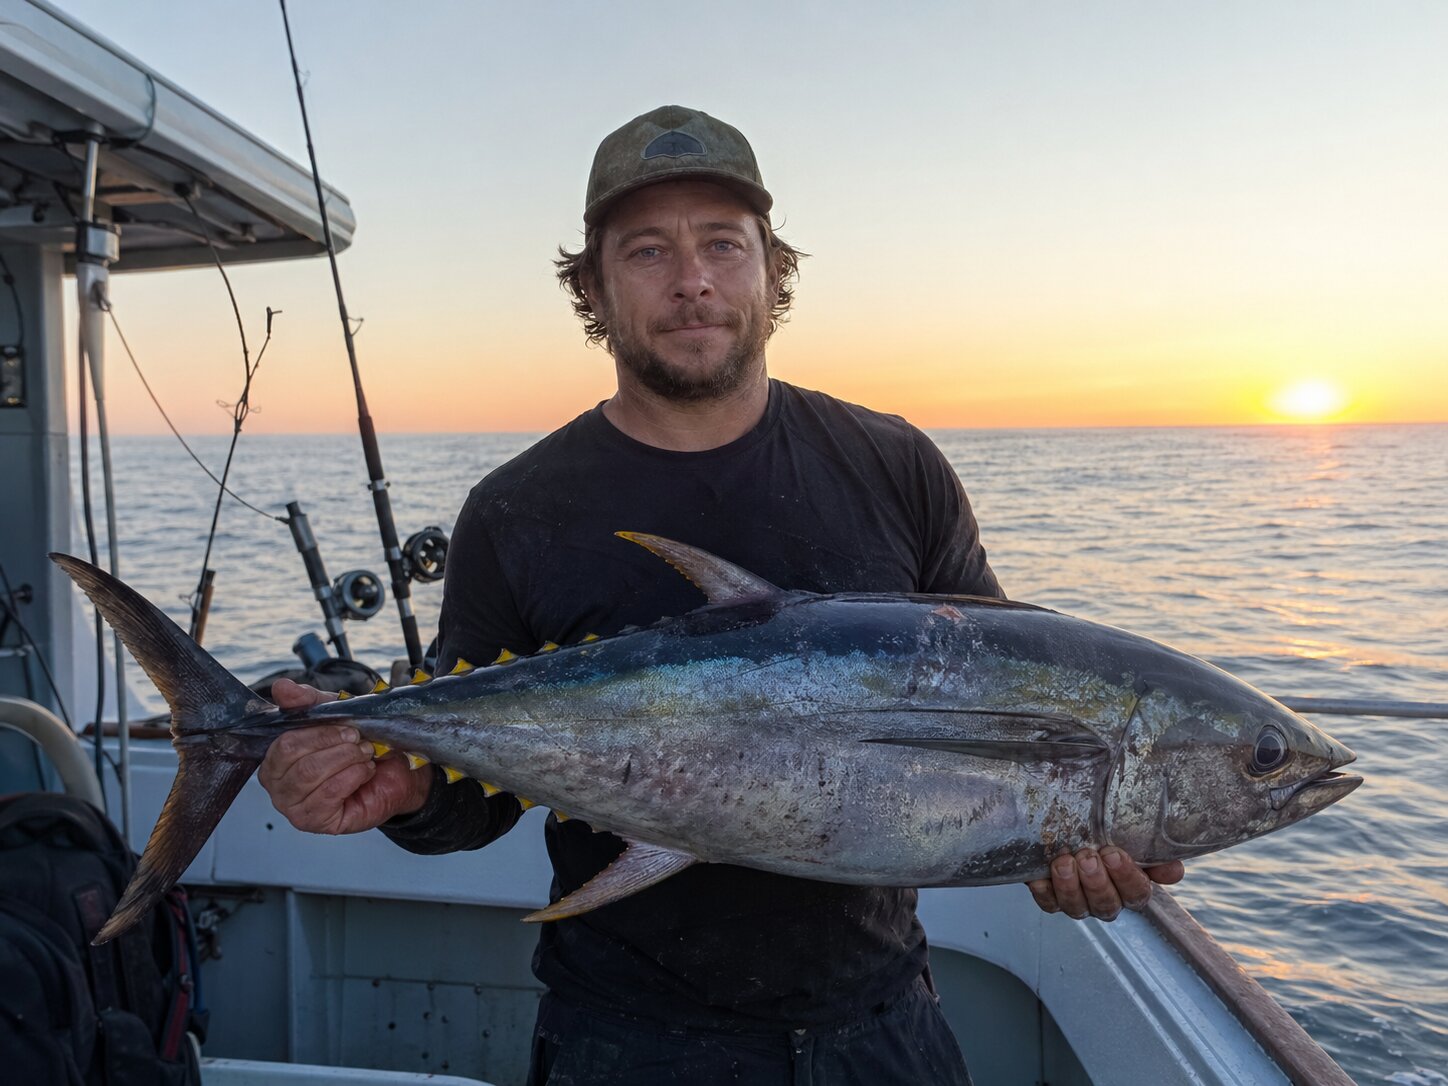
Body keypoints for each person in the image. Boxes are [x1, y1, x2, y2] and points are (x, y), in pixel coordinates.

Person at [259, 105, 1184, 1085]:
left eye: (721, 246)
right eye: (647, 250)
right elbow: (471, 808)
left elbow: (1006, 701)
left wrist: (1059, 841)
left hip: (880, 1023)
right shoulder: (517, 510)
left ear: (770, 271)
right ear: (595, 288)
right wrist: (403, 789)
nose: (691, 279)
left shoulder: (893, 464)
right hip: (626, 1038)